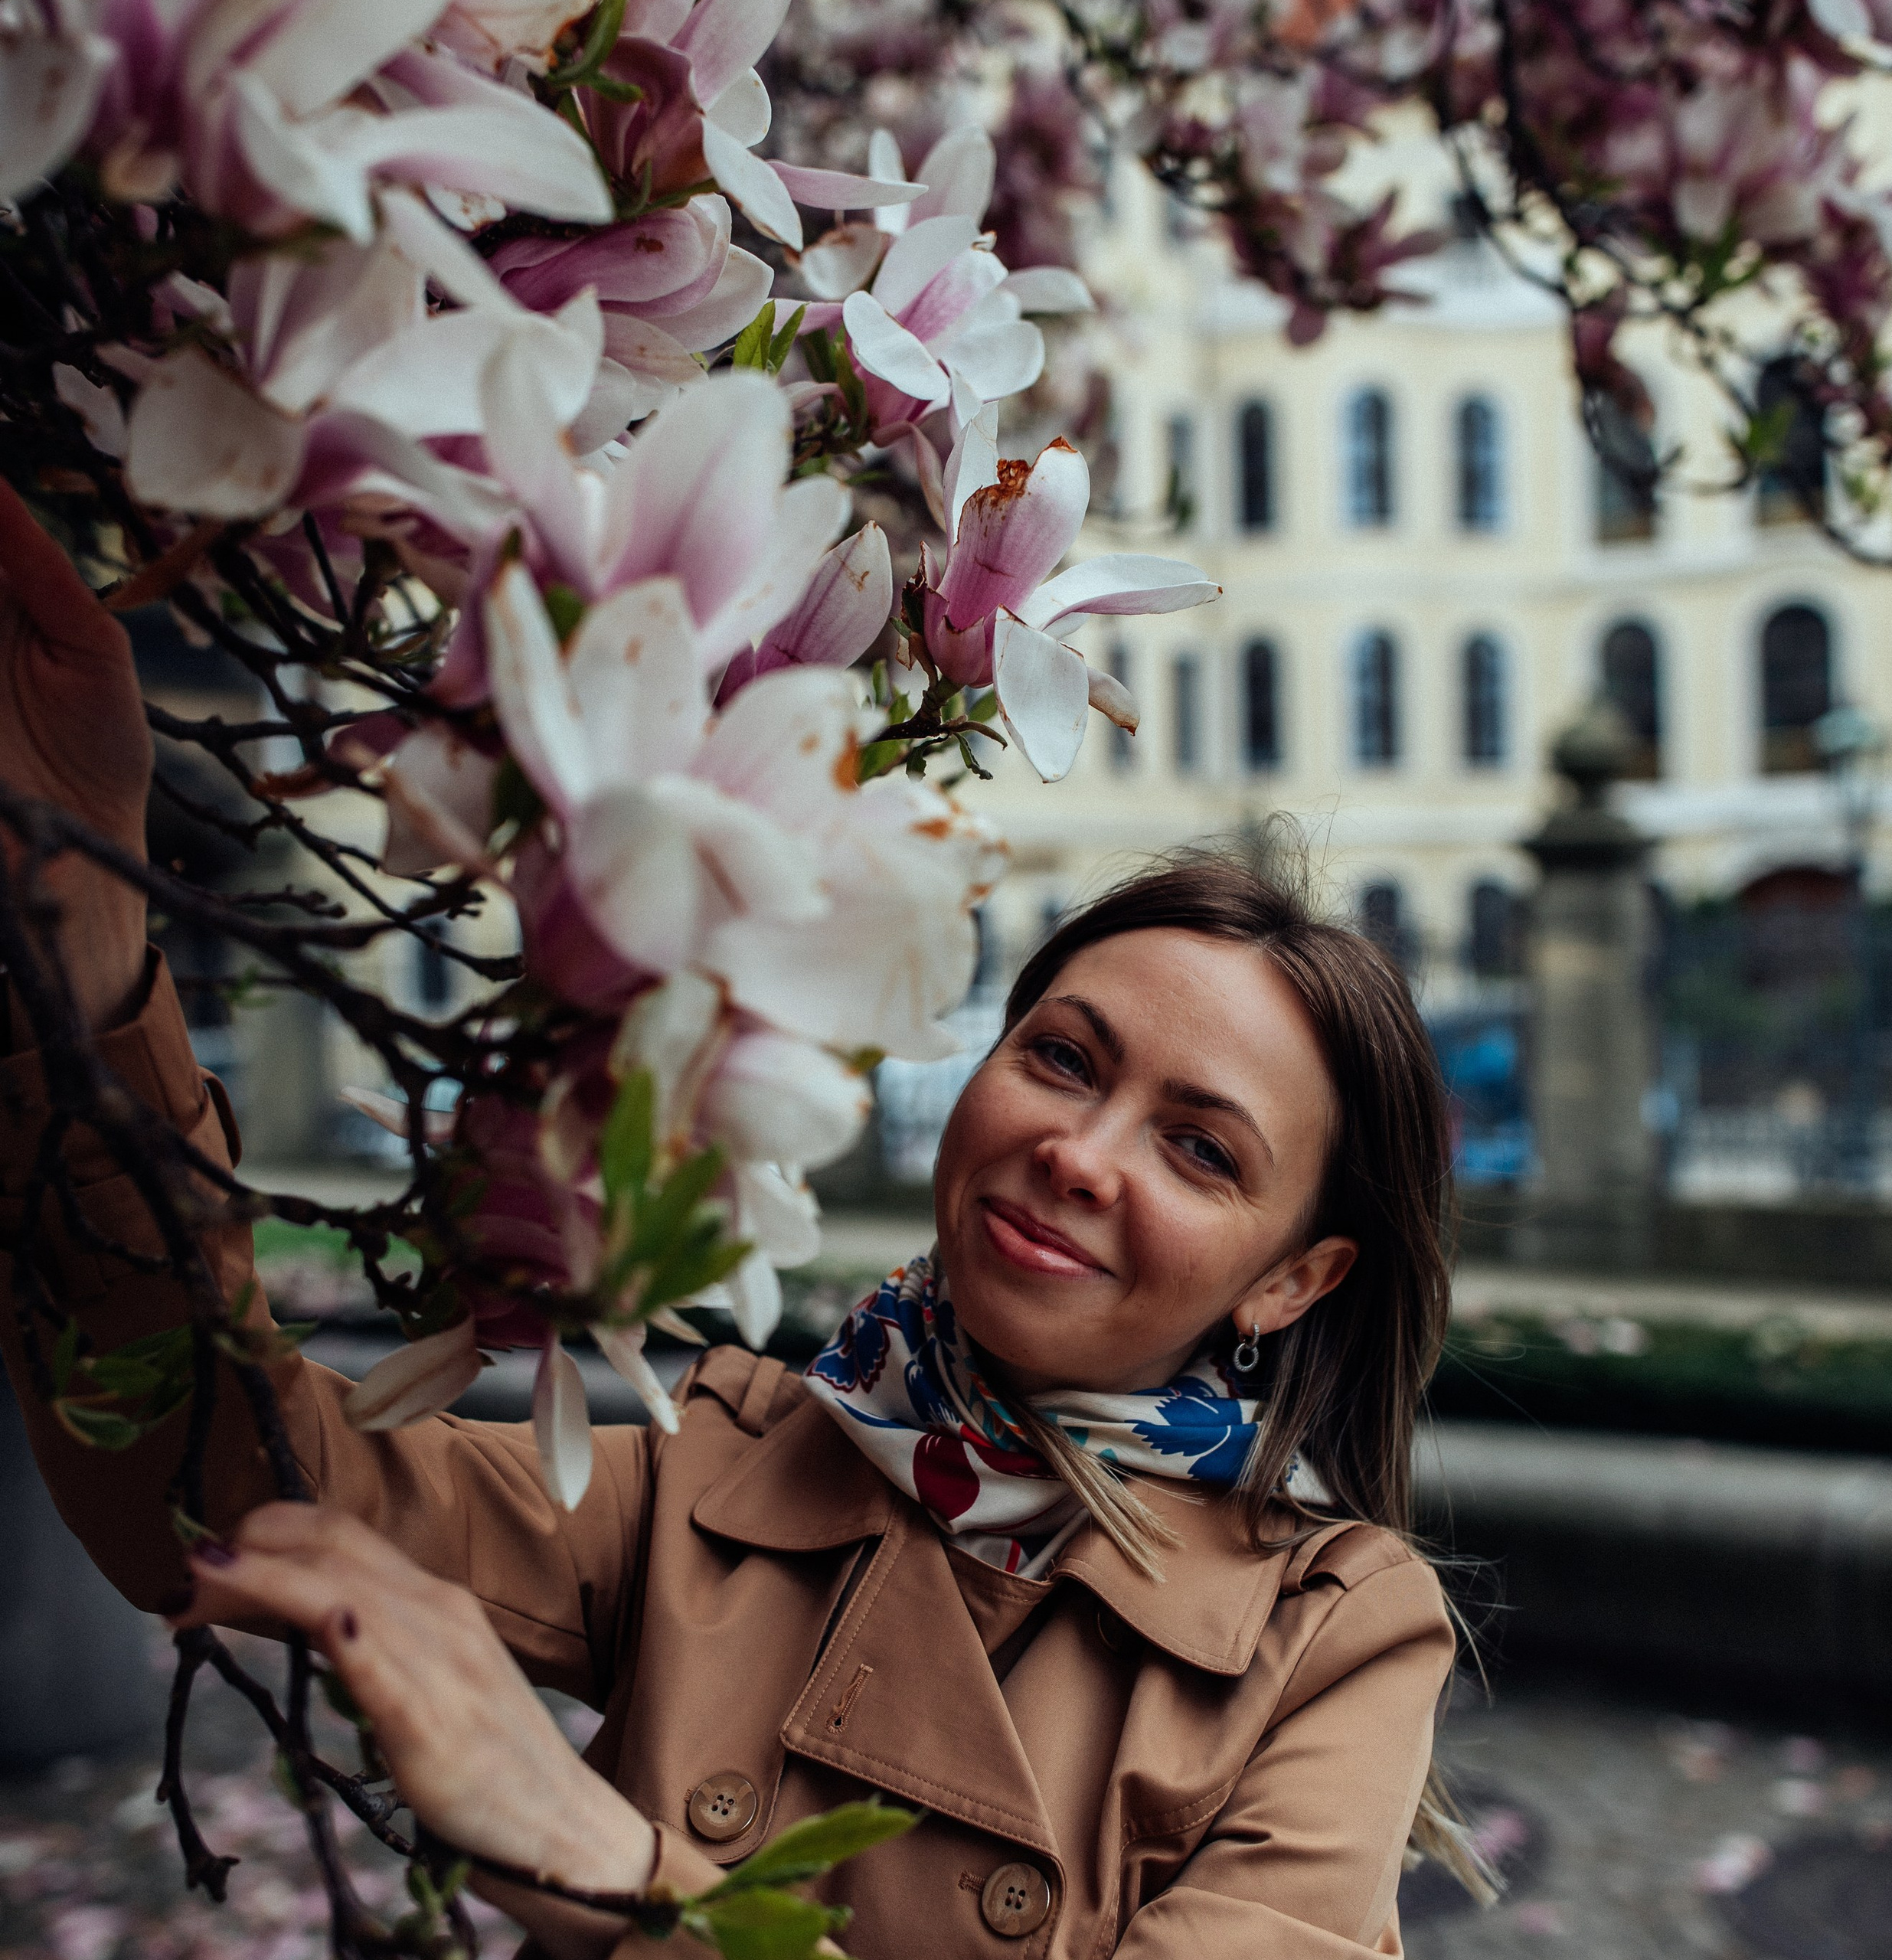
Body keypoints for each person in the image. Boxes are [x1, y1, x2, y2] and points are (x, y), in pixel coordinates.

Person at [0, 481, 1476, 1960]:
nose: (1080, 1155)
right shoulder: (730, 1474)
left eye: (1201, 1150)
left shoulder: (1331, 1635)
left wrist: (609, 1867)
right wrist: (78, 929)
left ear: (1296, 1279)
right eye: (1063, 1059)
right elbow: (224, 1476)